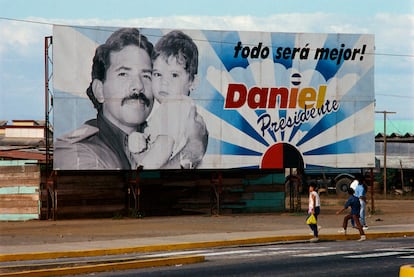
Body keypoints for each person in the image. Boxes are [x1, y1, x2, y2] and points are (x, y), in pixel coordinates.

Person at [54, 28, 207, 170]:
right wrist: (192, 150)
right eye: (124, 74)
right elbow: (139, 193)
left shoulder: (174, 116)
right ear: (99, 91)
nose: (138, 86)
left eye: (146, 75)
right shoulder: (75, 150)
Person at [128, 30, 208, 169]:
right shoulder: (170, 109)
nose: (164, 82)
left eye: (174, 75)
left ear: (193, 82)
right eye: (158, 74)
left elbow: (165, 143)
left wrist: (144, 169)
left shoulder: (176, 105)